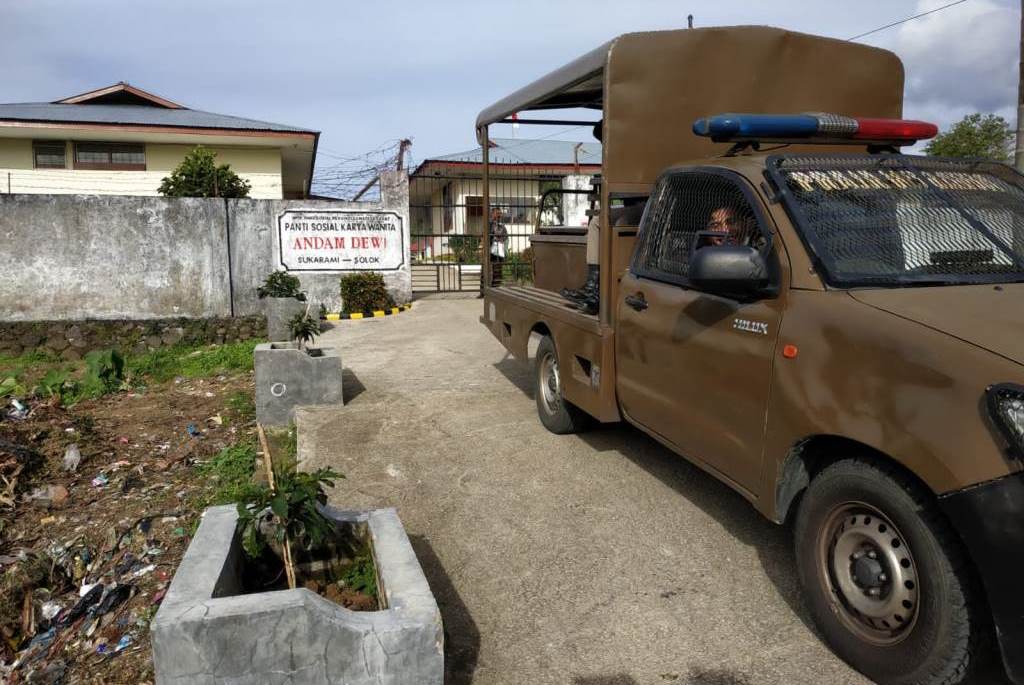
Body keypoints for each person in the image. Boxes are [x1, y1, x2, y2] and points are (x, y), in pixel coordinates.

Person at [489, 207, 508, 287]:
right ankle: (483, 291)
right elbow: (485, 235)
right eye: (497, 213)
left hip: (498, 250)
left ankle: (496, 287)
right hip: (489, 249)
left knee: (497, 269)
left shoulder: (501, 225)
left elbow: (506, 235)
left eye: (500, 214)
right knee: (486, 270)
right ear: (492, 214)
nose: (499, 216)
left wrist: (501, 239)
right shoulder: (489, 223)